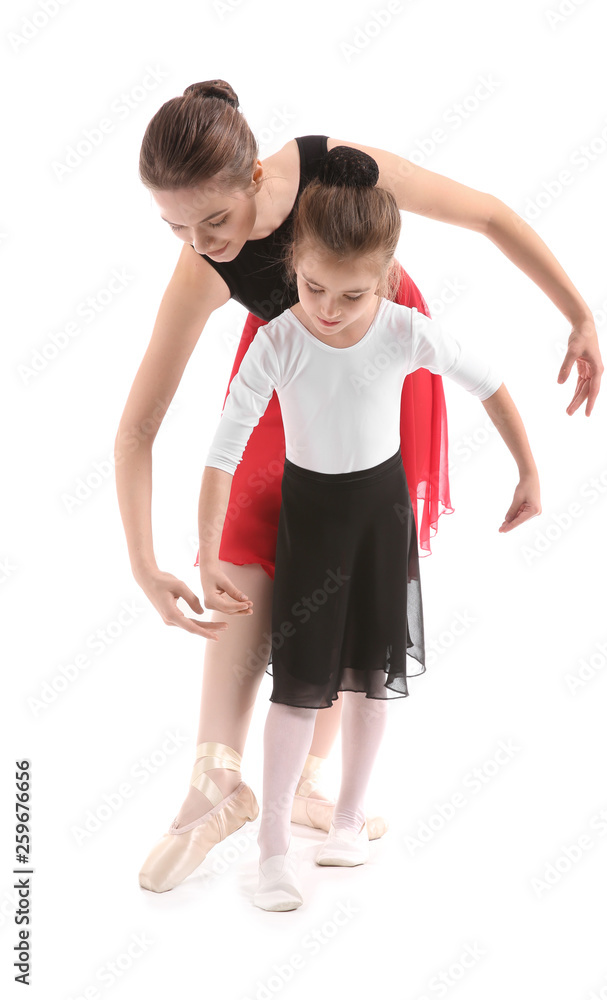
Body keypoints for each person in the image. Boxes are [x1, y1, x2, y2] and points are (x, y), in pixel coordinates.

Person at [116, 80, 599, 894]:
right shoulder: (203, 266)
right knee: (245, 541)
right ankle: (216, 775)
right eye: (175, 228)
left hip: (383, 364)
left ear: (258, 180)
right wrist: (142, 562)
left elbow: (484, 213)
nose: (198, 244)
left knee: (343, 560)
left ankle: (308, 777)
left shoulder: (339, 171)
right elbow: (138, 427)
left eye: (213, 222)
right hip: (286, 367)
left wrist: (578, 312)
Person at [196, 144, 540, 910]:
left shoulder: (402, 330)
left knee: (375, 680)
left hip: (381, 519)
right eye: (314, 287)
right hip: (311, 521)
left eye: (350, 296)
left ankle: (349, 820)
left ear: (384, 278)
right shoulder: (281, 341)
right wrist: (203, 548)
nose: (328, 308)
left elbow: (489, 382)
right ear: (296, 266)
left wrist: (529, 470)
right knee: (298, 687)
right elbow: (221, 452)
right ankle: (274, 843)